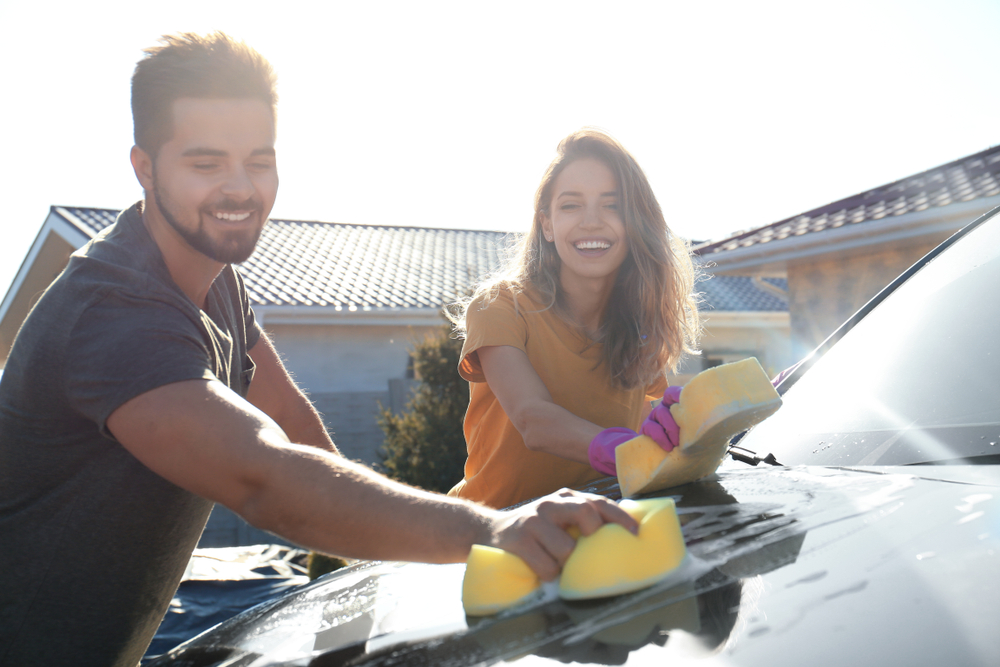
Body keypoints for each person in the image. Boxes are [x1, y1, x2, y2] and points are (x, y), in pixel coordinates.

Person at [0, 33, 635, 666]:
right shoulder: (113, 313)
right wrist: (494, 530)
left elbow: (299, 434)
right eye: (206, 164)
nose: (240, 189)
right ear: (143, 168)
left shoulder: (216, 282)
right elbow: (262, 476)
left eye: (259, 160)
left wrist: (371, 577)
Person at [448, 129, 701, 509]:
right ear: (546, 224)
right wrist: (624, 449)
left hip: (601, 532)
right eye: (571, 206)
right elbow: (534, 420)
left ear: (635, 223)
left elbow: (644, 413)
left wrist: (681, 424)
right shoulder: (500, 306)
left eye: (612, 206)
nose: (592, 222)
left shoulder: (639, 327)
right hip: (494, 537)